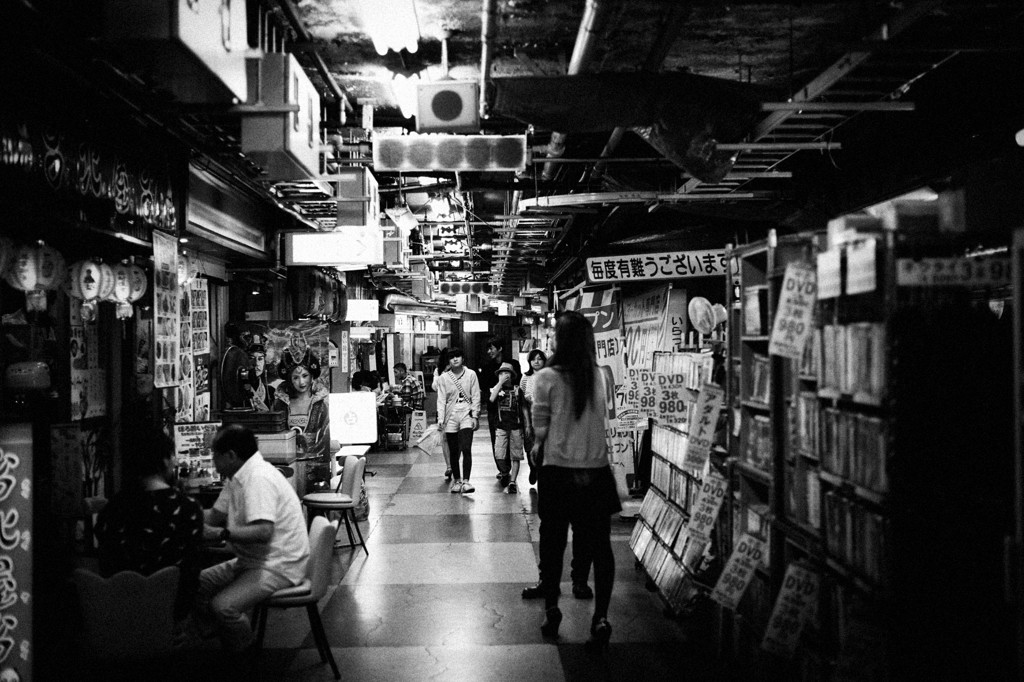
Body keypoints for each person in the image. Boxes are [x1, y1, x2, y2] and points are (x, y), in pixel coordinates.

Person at [527, 311, 620, 651]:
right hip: (596, 472)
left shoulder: (546, 377)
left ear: (560, 341)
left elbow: (540, 428)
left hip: (558, 471)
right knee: (601, 547)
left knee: (553, 543)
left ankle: (552, 608)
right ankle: (601, 617)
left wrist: (539, 444)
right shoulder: (598, 375)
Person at [196, 424, 310, 652]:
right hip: (253, 560)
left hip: (278, 564)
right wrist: (184, 513)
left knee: (223, 607)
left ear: (230, 456)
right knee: (198, 583)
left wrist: (221, 534)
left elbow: (263, 532)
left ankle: (245, 653)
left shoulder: (258, 478)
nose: (213, 461)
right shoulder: (236, 477)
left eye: (215, 456)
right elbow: (215, 515)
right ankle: (221, 637)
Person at [94, 426, 203, 618]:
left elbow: (105, 558)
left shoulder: (114, 507)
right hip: (170, 612)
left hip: (118, 610)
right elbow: (190, 572)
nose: (175, 461)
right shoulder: (188, 508)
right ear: (163, 461)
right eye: (172, 456)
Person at [272, 349, 330, 489]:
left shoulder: (321, 405)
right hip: (285, 465)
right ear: (289, 380)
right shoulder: (280, 404)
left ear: (312, 377)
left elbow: (324, 437)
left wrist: (310, 461)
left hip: (315, 465)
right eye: (296, 378)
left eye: (305, 376)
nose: (301, 382)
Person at [434, 347, 480, 494]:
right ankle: (457, 480)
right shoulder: (443, 378)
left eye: (458, 356)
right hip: (450, 415)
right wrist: (440, 418)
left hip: (466, 412)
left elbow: (476, 395)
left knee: (466, 448)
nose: (455, 359)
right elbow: (441, 400)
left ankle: (466, 481)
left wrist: (475, 415)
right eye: (452, 357)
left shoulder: (471, 374)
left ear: (463, 358)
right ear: (448, 361)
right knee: (454, 451)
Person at [480, 336, 521, 487]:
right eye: (488, 349)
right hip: (494, 410)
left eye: (491, 348)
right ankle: (503, 469)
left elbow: (517, 383)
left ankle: (511, 467)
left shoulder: (513, 364)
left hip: (512, 409)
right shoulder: (486, 367)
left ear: (500, 348)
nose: (489, 351)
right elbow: (484, 388)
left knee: (513, 439)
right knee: (496, 439)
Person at [489, 362, 526, 494]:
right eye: (501, 373)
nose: (504, 375)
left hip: (516, 427)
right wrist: (499, 384)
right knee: (499, 453)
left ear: (512, 375)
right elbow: (492, 399)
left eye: (507, 373)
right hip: (501, 426)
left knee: (515, 455)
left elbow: (523, 408)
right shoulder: (497, 389)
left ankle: (513, 481)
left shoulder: (517, 390)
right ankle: (505, 471)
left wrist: (526, 426)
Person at [519, 349, 547, 486]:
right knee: (530, 445)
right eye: (533, 359)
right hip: (529, 415)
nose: (536, 362)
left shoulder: (550, 376)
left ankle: (542, 472)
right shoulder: (525, 378)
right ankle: (532, 467)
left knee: (544, 446)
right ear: (529, 361)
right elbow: (523, 402)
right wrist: (527, 423)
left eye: (539, 359)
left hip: (546, 416)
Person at [433, 348, 453, 480]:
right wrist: (443, 373)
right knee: (445, 438)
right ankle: (449, 466)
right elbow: (435, 386)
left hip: (456, 408)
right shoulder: (438, 370)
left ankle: (453, 464)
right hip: (442, 408)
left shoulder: (461, 370)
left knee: (455, 439)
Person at [246, 340, 275, 411]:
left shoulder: (271, 391)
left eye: (260, 359)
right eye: (251, 358)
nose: (256, 363)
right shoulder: (239, 391)